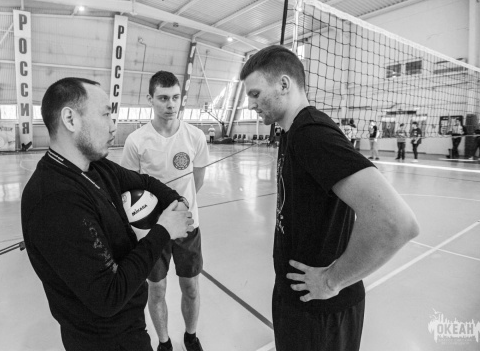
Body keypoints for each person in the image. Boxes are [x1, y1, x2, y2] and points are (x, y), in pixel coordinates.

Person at [240, 45, 419, 351]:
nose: (250, 104)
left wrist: (330, 281)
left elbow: (396, 222)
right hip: (299, 302)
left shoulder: (311, 134)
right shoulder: (291, 132)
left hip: (320, 314)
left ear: (284, 84)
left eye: (255, 94)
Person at [21, 77, 195, 351]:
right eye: (106, 114)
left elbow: (144, 181)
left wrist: (177, 201)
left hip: (130, 326)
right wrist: (163, 230)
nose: (114, 125)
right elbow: (108, 295)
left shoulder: (97, 167)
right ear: (70, 119)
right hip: (103, 342)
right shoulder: (54, 199)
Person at [121, 71, 209, 351]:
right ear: (150, 99)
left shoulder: (195, 137)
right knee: (156, 289)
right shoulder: (136, 141)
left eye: (175, 97)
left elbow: (197, 181)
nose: (170, 104)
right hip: (152, 232)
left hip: (187, 227)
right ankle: (164, 342)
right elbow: (130, 190)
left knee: (190, 287)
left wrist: (179, 211)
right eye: (162, 98)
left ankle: (191, 337)